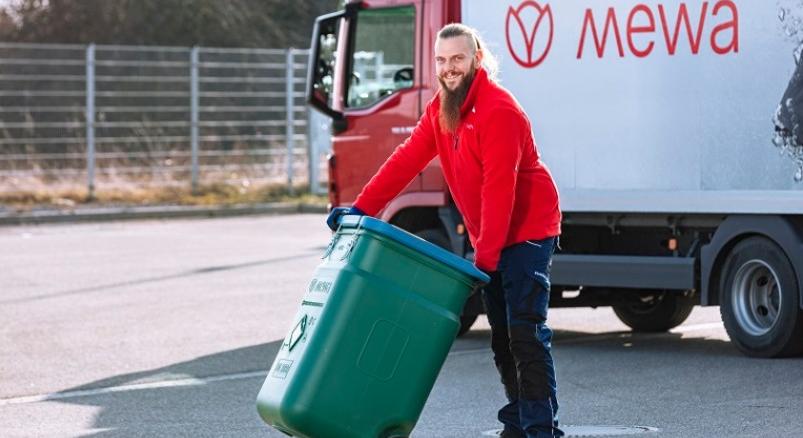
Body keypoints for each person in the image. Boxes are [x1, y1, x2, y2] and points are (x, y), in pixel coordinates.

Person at [326, 23, 563, 438]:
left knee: (525, 332)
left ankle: (541, 428)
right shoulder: (442, 109)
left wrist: (484, 258)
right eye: (441, 60)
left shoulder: (499, 110)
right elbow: (406, 160)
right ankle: (520, 420)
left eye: (457, 59)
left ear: (476, 59)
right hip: (489, 233)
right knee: (502, 338)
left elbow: (499, 189)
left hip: (527, 231)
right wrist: (361, 208)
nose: (449, 68)